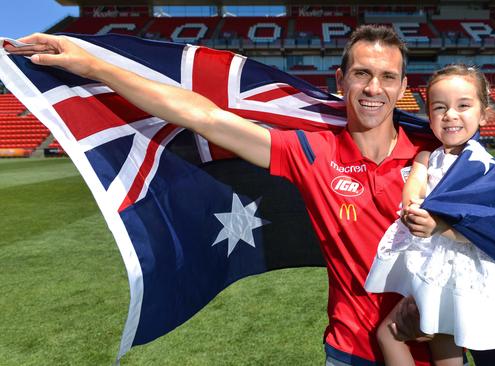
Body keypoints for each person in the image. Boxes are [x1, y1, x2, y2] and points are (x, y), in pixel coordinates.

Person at [5, 25, 438, 365]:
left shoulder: (439, 158)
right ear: (341, 80)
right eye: (362, 74)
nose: (373, 88)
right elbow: (207, 118)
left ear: (402, 86)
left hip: (437, 347)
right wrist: (95, 66)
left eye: (387, 77)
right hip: (350, 350)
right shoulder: (311, 152)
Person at [364, 65, 495, 366]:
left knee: (490, 347)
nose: (450, 115)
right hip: (438, 272)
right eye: (439, 107)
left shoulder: (481, 166)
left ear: (483, 113)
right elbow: (413, 189)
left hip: (475, 276)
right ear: (429, 116)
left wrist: (438, 225)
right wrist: (416, 208)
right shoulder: (428, 156)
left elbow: (485, 225)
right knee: (404, 336)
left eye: (463, 106)